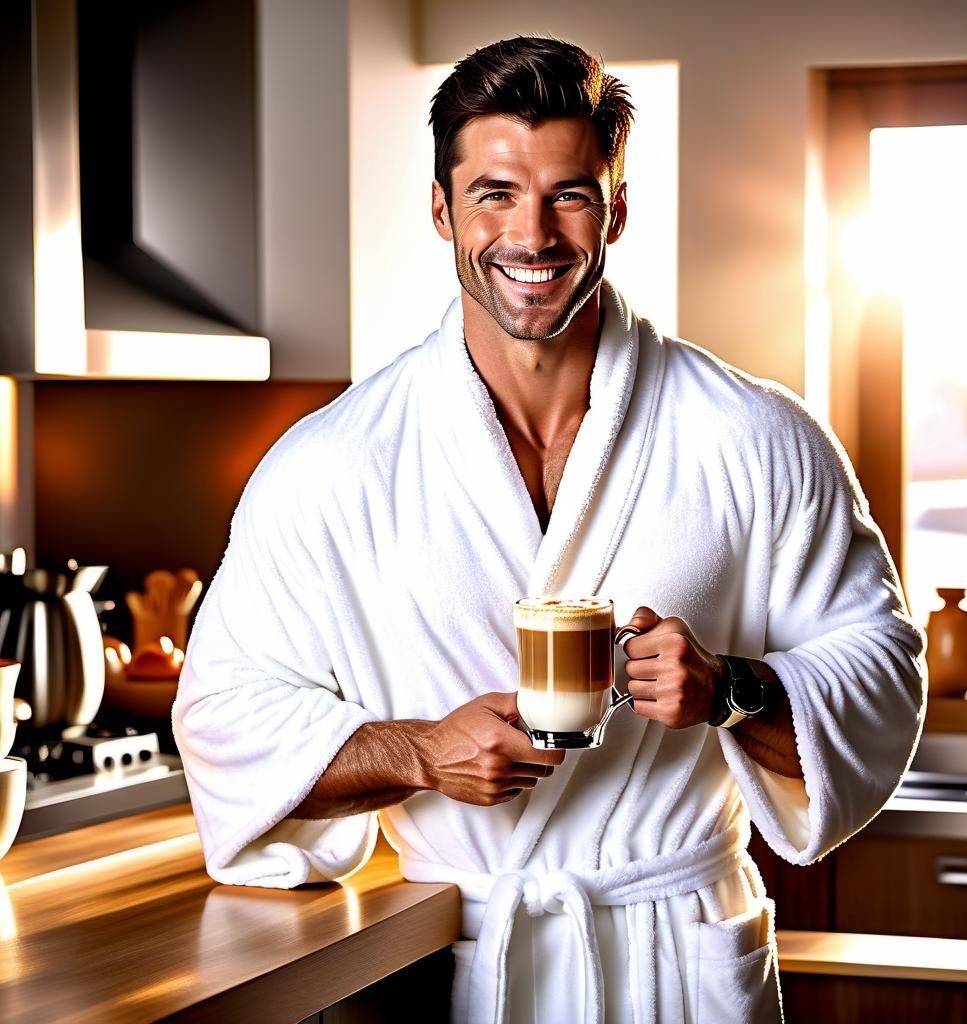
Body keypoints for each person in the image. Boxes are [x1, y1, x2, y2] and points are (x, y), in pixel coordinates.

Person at [172, 37, 925, 1024]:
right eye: (493, 193)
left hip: (674, 960)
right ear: (441, 208)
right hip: (458, 965)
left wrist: (732, 690)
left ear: (615, 209)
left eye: (569, 193)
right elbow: (224, 716)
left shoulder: (755, 435)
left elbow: (882, 669)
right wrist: (418, 751)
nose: (531, 233)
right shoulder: (331, 463)